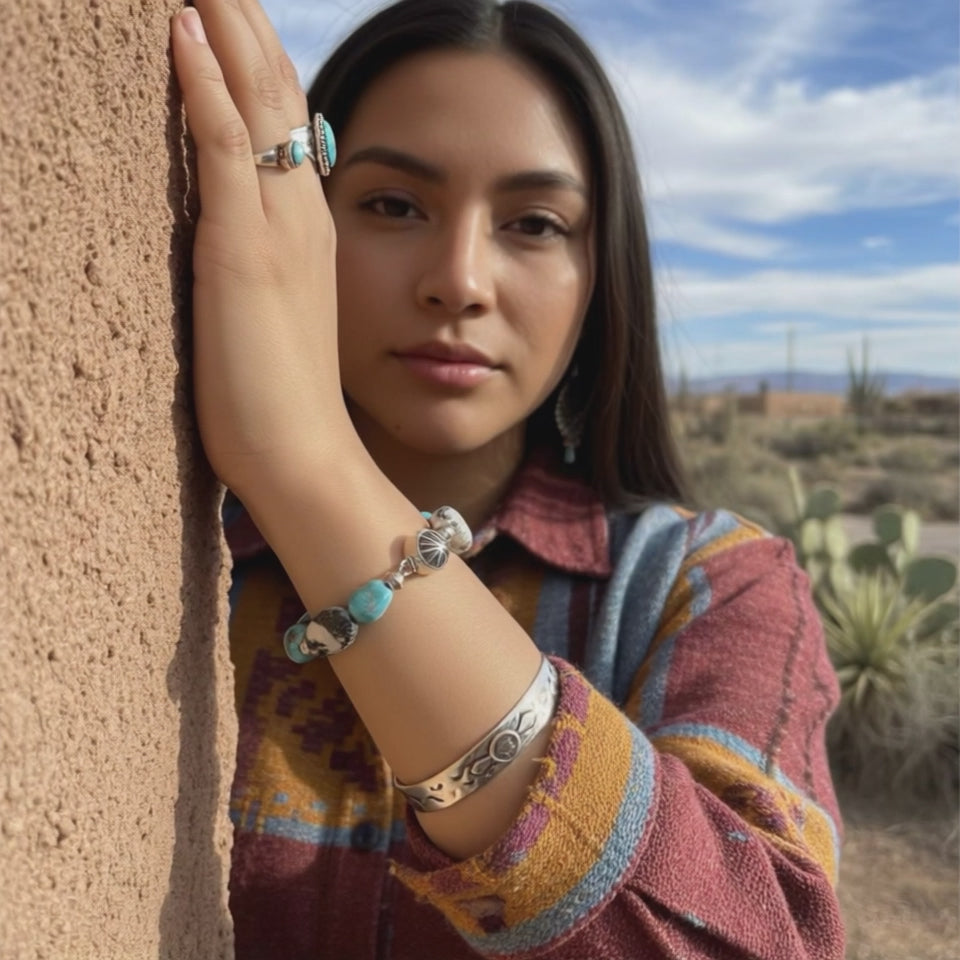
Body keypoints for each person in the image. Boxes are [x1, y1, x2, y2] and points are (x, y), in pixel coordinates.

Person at [170, 1, 845, 957]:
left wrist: (311, 464)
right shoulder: (174, 569)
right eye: (395, 205)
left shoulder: (710, 586)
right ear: (302, 226)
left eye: (534, 222)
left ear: (598, 276)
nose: (460, 280)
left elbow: (762, 935)